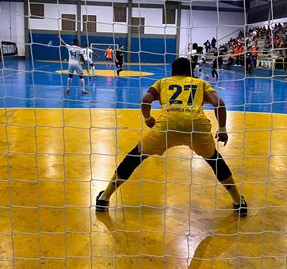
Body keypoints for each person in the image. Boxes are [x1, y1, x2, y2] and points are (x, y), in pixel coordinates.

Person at [95, 57, 247, 216]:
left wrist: (148, 119)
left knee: (134, 157)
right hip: (197, 127)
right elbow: (219, 104)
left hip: (167, 127)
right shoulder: (200, 83)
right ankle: (239, 202)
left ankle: (104, 198)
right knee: (215, 161)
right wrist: (222, 128)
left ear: (172, 71)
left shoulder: (163, 82)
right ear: (190, 71)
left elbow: (145, 100)